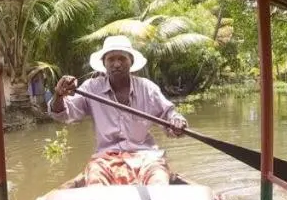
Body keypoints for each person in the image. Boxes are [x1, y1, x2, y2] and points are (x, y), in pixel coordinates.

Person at [50, 35, 188, 186]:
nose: (116, 64)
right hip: (105, 159)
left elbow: (169, 115)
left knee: (159, 184)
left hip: (146, 157)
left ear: (131, 62)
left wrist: (176, 122)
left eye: (122, 59)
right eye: (111, 59)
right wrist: (59, 94)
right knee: (96, 185)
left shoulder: (147, 88)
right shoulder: (91, 88)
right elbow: (64, 114)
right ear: (104, 63)